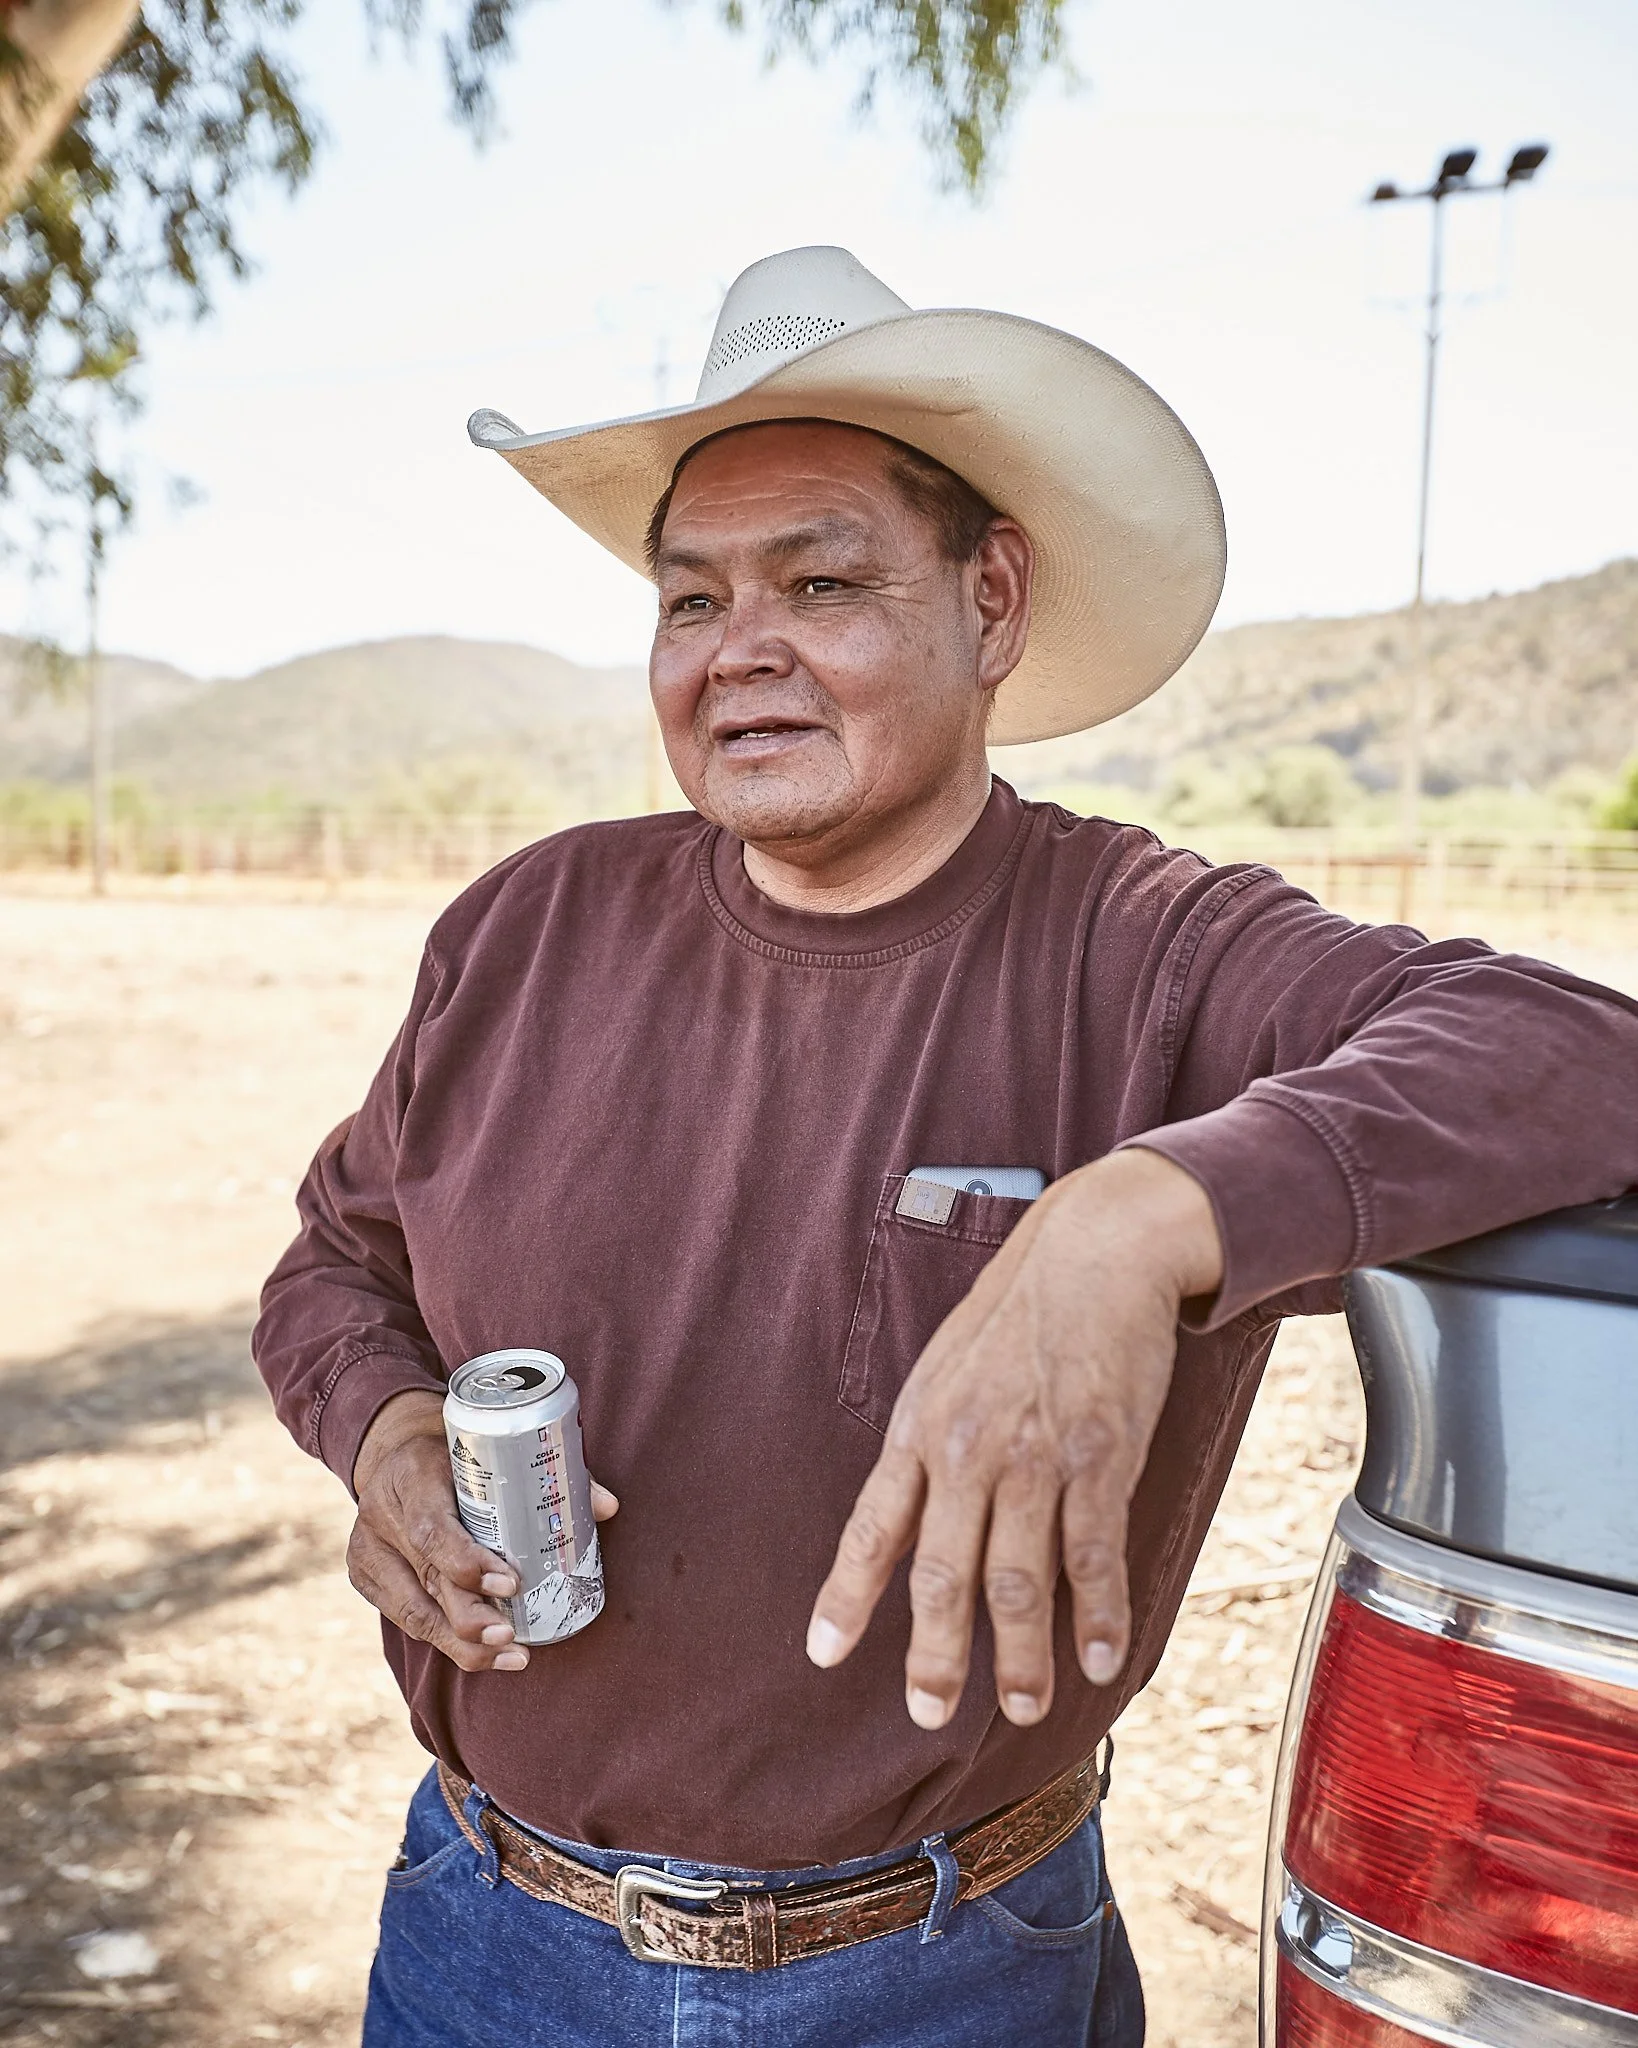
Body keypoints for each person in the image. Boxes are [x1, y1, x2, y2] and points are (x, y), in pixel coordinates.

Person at [253, 246, 1638, 2047]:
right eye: (689, 603)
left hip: (944, 1970)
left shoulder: (1146, 946)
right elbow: (333, 1263)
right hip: (486, 1935)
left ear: (988, 606)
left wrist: (1133, 1218)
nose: (736, 648)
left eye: (819, 582)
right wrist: (385, 1434)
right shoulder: (527, 928)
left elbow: (1571, 1048)